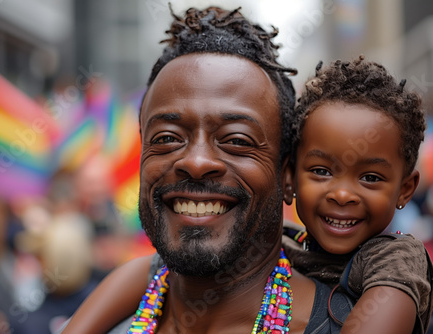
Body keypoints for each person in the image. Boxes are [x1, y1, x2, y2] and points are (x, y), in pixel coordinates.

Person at [62, 6, 356, 334]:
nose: (196, 163)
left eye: (236, 140)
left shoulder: (353, 323)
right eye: (167, 138)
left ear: (287, 175)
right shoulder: (114, 319)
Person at [282, 55, 432, 334]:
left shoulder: (397, 259)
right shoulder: (280, 247)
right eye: (321, 171)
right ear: (289, 178)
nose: (342, 194)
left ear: (404, 190)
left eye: (370, 178)